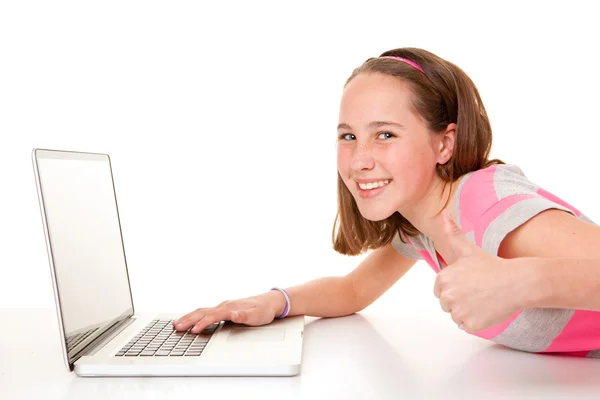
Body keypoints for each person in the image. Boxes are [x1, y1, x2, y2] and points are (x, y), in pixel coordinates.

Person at [173, 47, 600, 358]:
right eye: (349, 136)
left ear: (444, 144)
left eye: (386, 134)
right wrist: (275, 302)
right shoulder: (421, 224)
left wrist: (522, 282)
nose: (359, 160)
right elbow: (353, 290)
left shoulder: (489, 205)